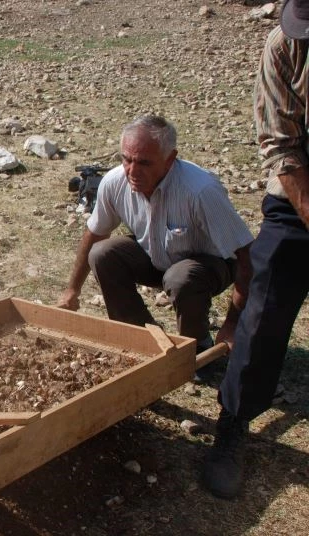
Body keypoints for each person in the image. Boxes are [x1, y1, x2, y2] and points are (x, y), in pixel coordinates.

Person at [202, 0, 309, 500]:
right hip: (297, 190)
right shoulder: (285, 45)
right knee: (263, 308)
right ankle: (233, 421)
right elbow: (281, 144)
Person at [56, 115, 254, 377]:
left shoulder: (200, 191)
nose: (132, 171)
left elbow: (248, 257)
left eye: (144, 163)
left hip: (211, 265)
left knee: (181, 277)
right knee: (102, 254)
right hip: (156, 255)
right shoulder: (115, 182)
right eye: (127, 159)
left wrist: (232, 324)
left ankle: (196, 348)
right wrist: (72, 290)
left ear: (170, 160)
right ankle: (141, 340)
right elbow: (94, 234)